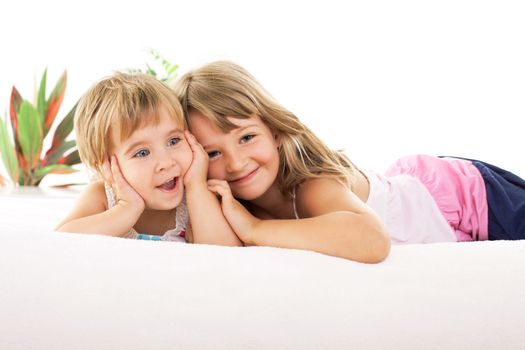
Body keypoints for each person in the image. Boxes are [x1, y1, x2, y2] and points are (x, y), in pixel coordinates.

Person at [173, 61, 525, 262]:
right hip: (432, 226)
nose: (235, 163)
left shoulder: (309, 182)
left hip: (463, 195)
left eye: (247, 137)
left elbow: (372, 239)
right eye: (213, 153)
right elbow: (219, 261)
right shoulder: (227, 204)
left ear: (276, 131)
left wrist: (255, 230)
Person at [56, 72, 241, 246]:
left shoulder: (194, 196)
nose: (166, 162)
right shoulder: (102, 196)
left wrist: (196, 186)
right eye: (142, 153)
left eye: (174, 141)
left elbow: (224, 252)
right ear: (104, 167)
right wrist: (127, 208)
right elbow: (62, 238)